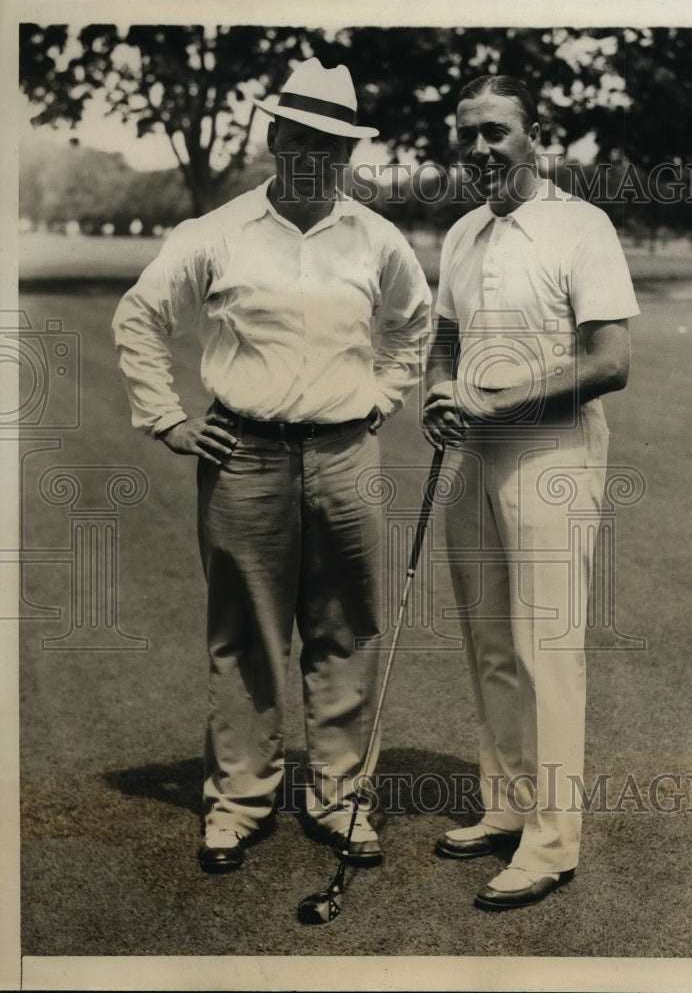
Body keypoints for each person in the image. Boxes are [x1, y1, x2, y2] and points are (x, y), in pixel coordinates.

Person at [112, 57, 432, 873]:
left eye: (330, 144)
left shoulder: (377, 238)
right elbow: (140, 318)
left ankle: (339, 800)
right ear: (272, 139)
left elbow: (411, 327)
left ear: (347, 153)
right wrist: (169, 421)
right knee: (244, 637)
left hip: (344, 454)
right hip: (242, 454)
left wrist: (382, 398)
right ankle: (239, 803)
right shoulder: (213, 233)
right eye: (298, 138)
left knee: (345, 631)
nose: (312, 157)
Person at [423, 75, 639, 909]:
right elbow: (444, 339)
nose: (478, 150)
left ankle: (551, 843)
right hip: (472, 455)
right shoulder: (461, 233)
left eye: (494, 133)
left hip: (549, 453)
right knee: (489, 643)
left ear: (532, 133)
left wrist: (498, 401)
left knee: (547, 648)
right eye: (465, 134)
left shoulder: (581, 225)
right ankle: (508, 805)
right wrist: (438, 396)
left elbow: (609, 363)